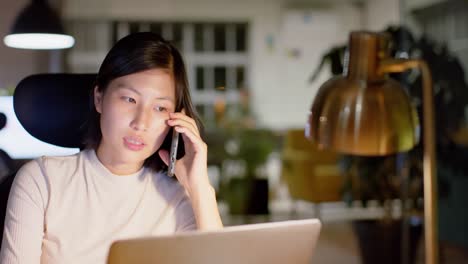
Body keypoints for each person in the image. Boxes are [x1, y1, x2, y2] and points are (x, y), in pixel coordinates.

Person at [0, 32, 223, 264]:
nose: (141, 123)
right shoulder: (41, 180)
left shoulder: (178, 199)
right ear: (99, 98)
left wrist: (200, 188)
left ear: (176, 119)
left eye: (160, 108)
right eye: (129, 99)